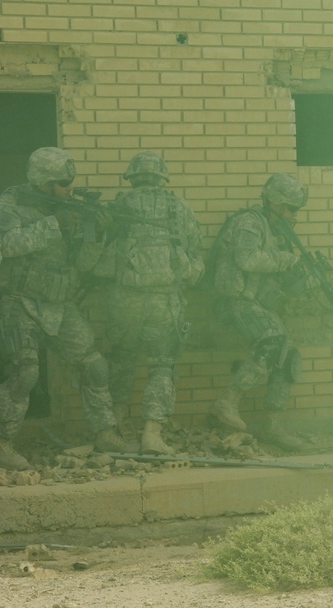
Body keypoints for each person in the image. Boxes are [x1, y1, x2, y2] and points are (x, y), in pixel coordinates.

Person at [0, 147, 126, 470]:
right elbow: (5, 246)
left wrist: (98, 235)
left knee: (95, 365)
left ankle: (104, 432)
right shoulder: (11, 203)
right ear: (44, 182)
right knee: (25, 374)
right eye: (64, 183)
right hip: (19, 302)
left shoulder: (69, 210)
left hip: (59, 305)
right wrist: (54, 225)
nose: (70, 188)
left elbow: (82, 264)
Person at [102, 151, 204, 455]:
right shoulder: (180, 208)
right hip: (167, 302)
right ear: (163, 177)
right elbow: (196, 255)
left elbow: (100, 259)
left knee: (121, 361)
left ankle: (117, 427)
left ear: (132, 176)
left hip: (126, 301)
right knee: (162, 365)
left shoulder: (119, 207)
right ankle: (152, 433)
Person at [206, 173, 312, 453]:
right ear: (272, 202)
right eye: (288, 207)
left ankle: (273, 427)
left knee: (288, 356)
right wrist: (287, 261)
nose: (291, 214)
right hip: (234, 302)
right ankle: (227, 401)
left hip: (258, 304)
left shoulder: (277, 229)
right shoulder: (249, 222)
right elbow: (247, 258)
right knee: (273, 340)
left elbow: (278, 276)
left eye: (295, 209)